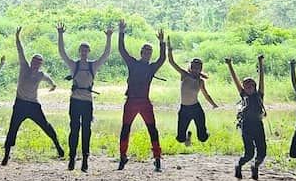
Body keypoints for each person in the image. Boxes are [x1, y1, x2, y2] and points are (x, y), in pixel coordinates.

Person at [2, 27, 65, 165]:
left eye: (39, 62)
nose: (36, 63)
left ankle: (58, 146)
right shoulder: (24, 66)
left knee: (46, 126)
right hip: (20, 104)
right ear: (31, 61)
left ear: (41, 64)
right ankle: (6, 155)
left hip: (33, 105)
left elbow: (49, 79)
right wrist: (17, 37)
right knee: (13, 129)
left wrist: (53, 85)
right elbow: (20, 51)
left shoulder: (41, 74)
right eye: (35, 61)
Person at [57, 22, 113, 172]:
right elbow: (62, 53)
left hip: (87, 102)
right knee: (74, 129)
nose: (83, 52)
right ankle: (72, 158)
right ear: (79, 51)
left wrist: (109, 37)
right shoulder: (73, 65)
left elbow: (106, 54)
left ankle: (85, 160)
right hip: (75, 101)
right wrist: (60, 35)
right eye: (81, 50)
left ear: (88, 52)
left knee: (86, 130)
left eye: (86, 50)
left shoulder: (92, 65)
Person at [116, 20, 167, 172]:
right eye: (145, 51)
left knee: (153, 130)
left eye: (149, 52)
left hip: (145, 102)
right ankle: (122, 157)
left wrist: (161, 43)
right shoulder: (132, 63)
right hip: (131, 102)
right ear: (141, 53)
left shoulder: (151, 68)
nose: (147, 53)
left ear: (150, 54)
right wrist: (121, 32)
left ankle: (157, 159)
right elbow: (122, 50)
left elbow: (162, 59)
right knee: (125, 129)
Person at [167, 36, 217, 146]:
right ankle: (187, 137)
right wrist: (169, 48)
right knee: (180, 139)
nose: (196, 69)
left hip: (196, 109)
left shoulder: (200, 82)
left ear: (200, 69)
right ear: (191, 67)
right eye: (194, 67)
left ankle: (205, 132)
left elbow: (206, 95)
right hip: (184, 109)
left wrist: (214, 104)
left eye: (198, 68)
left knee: (202, 138)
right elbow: (171, 62)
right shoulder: (184, 75)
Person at [226, 55, 266, 180]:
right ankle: (239, 165)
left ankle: (255, 166)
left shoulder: (259, 95)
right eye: (246, 86)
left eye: (251, 86)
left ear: (254, 87)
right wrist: (229, 65)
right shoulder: (243, 94)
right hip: (246, 126)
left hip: (258, 125)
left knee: (262, 152)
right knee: (249, 153)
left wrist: (260, 63)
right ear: (244, 87)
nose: (249, 88)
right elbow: (235, 79)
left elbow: (261, 78)